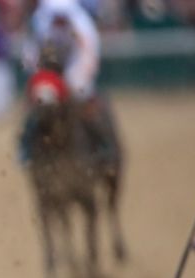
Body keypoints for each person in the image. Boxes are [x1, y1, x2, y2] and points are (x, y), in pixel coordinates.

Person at [18, 0, 117, 166]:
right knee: (36, 109)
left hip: (77, 71)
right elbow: (31, 54)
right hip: (51, 73)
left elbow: (88, 56)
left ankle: (104, 147)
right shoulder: (40, 24)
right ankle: (26, 148)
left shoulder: (83, 27)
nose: (59, 19)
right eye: (56, 16)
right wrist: (41, 77)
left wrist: (72, 81)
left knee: (88, 107)